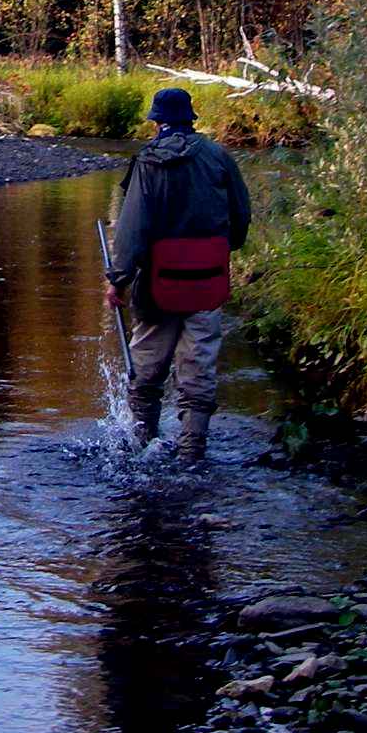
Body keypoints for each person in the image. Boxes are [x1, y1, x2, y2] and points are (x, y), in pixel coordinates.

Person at [105, 87, 251, 462]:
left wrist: (118, 278)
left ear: (157, 123)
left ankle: (142, 446)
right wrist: (224, 248)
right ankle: (192, 452)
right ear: (191, 120)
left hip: (158, 285)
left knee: (146, 369)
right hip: (207, 282)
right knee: (199, 365)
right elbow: (241, 215)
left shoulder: (147, 163)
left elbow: (132, 230)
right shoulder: (219, 156)